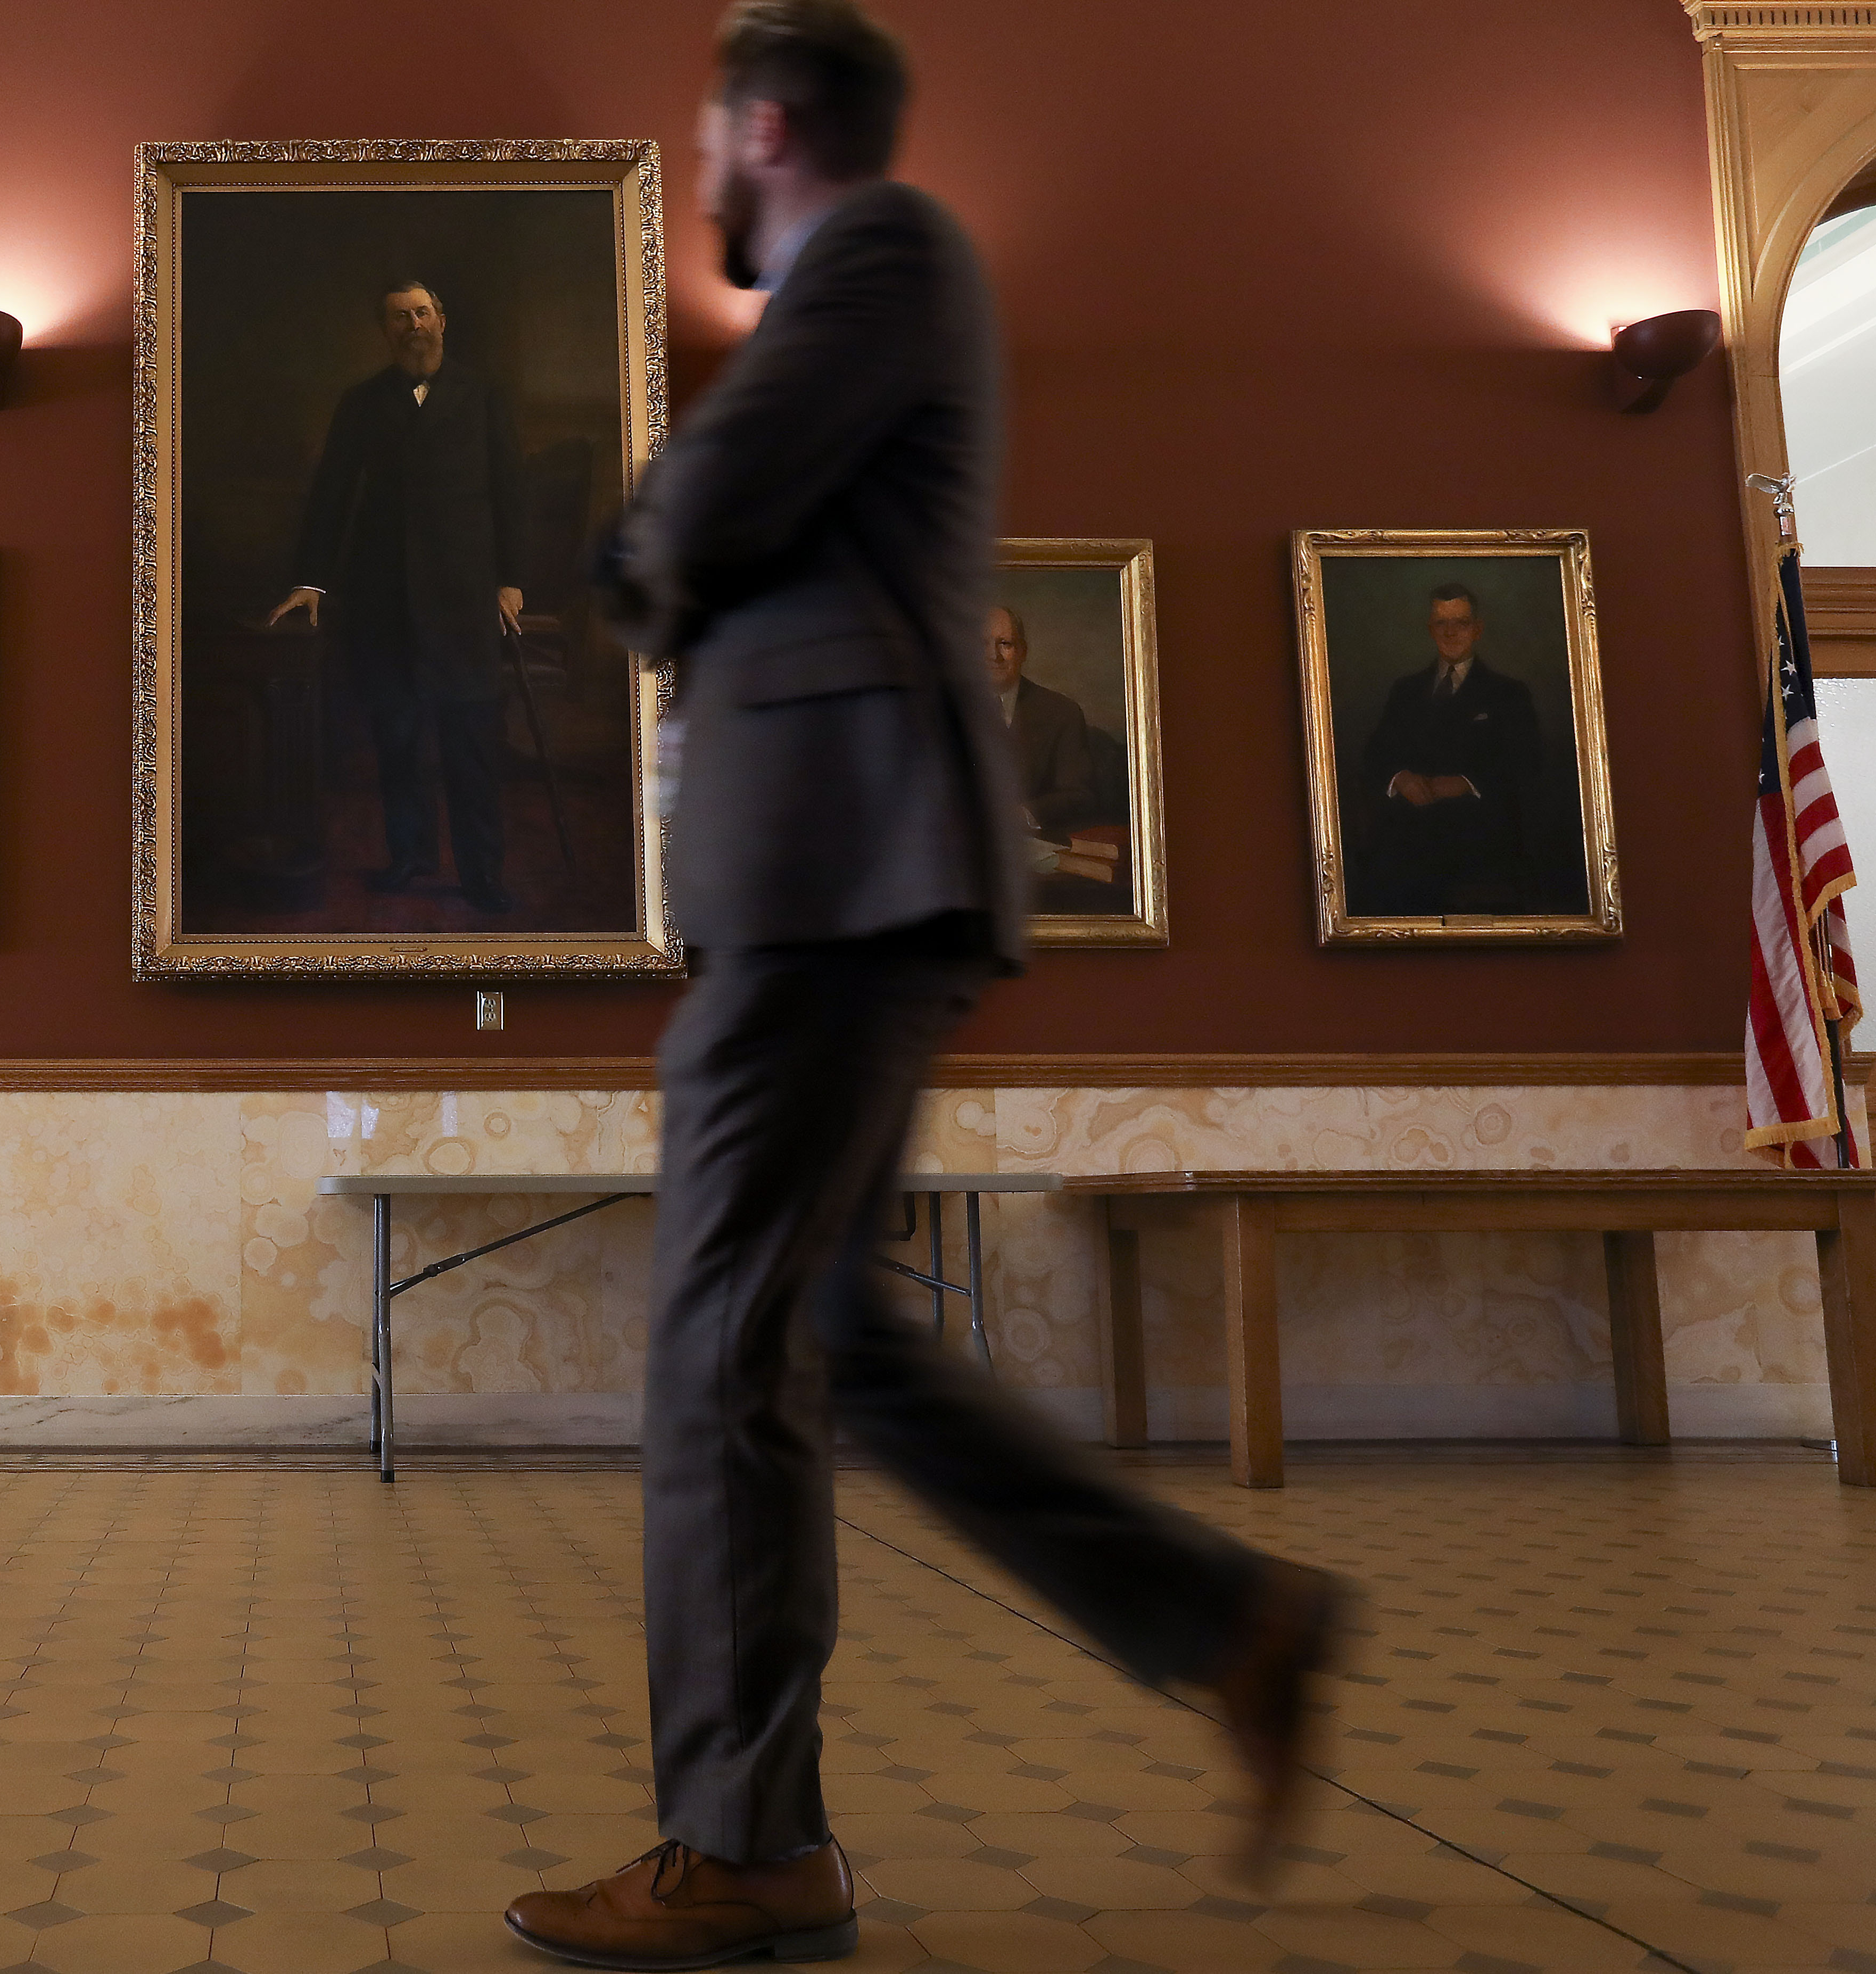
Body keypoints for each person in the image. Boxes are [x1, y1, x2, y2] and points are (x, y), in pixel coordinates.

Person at [505, 5, 1347, 1966]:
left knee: (720, 1345)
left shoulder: (880, 249)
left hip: (837, 876)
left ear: (764, 123)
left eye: (705, 132)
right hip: (847, 877)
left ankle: (745, 1845)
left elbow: (695, 516)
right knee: (834, 1340)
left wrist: (637, 538)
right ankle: (1230, 1621)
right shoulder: (859, 282)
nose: (697, 167)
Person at [268, 278, 528, 914]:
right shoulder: (361, 402)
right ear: (385, 332)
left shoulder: (484, 396)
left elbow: (510, 491)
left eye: (421, 313)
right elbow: (332, 491)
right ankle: (410, 856)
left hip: (465, 598)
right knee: (399, 741)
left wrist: (511, 579)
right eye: (399, 318)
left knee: (470, 749)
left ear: (442, 319)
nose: (413, 325)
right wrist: (311, 579)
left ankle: (481, 873)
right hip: (385, 600)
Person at [1351, 583, 1544, 915]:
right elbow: (1375, 756)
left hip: (1477, 841)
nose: (1451, 632)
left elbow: (1526, 767)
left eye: (1461, 623)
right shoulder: (1406, 690)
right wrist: (1401, 778)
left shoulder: (1508, 693)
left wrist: (1465, 783)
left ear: (1477, 630)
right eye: (1441, 623)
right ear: (1431, 629)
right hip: (1406, 840)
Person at [986, 604, 1097, 838]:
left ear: (1023, 652)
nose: (994, 656)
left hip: (1036, 846)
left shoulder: (1062, 713)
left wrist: (1024, 815)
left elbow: (1078, 795)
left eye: (1005, 644)